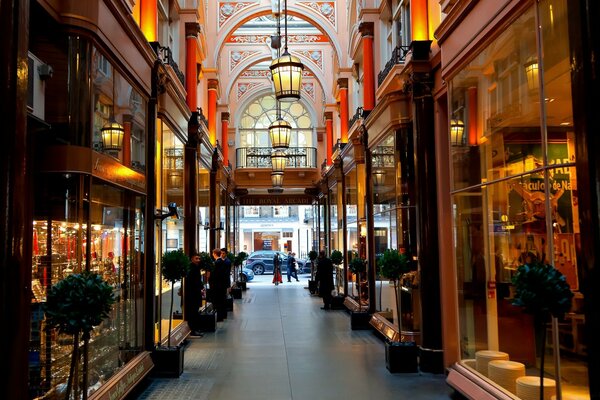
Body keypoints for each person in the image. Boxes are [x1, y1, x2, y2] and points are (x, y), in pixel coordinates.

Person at [184, 252, 205, 335]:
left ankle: (195, 328)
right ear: (192, 259)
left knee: (195, 311)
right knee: (193, 311)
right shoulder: (191, 268)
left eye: (199, 259)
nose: (198, 260)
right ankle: (193, 329)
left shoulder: (196, 267)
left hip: (195, 293)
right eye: (196, 258)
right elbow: (192, 281)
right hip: (192, 293)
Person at [209, 248, 230, 321]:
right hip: (222, 285)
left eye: (213, 253)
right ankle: (222, 315)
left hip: (217, 286)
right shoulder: (222, 262)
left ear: (214, 254)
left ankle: (219, 317)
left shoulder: (217, 263)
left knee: (218, 301)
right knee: (222, 300)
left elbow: (215, 275)